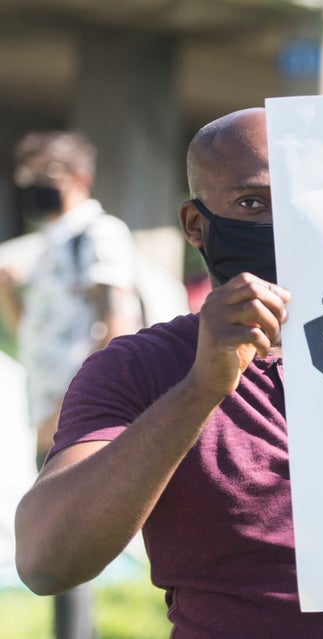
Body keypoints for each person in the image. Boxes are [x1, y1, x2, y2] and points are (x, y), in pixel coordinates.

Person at [14, 108, 323, 638]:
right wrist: (201, 388)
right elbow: (46, 561)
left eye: (309, 205)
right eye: (253, 203)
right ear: (196, 226)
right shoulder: (142, 368)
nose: (289, 226)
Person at [1, 130, 144, 639]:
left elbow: (118, 325)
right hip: (46, 407)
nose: (36, 187)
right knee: (53, 538)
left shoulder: (98, 233)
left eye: (47, 177)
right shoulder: (46, 243)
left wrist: (72, 406)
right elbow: (30, 337)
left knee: (67, 536)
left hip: (77, 410)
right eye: (28, 179)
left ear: (79, 179)